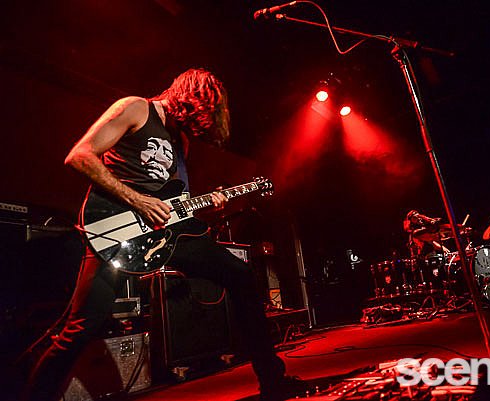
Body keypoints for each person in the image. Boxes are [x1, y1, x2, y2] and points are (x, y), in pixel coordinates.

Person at [24, 68, 301, 401]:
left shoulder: (180, 139)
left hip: (163, 234)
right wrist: (137, 200)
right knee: (81, 328)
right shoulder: (135, 108)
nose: (196, 126)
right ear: (188, 98)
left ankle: (273, 382)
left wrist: (208, 206)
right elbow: (79, 156)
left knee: (239, 275)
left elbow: (173, 201)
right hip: (113, 228)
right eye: (197, 116)